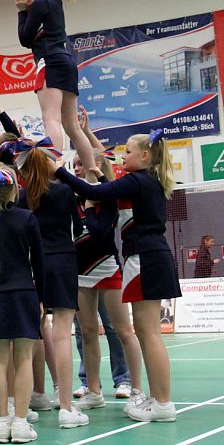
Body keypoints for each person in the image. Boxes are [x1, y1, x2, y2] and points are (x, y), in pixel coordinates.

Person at [54, 130, 181, 422]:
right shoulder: (146, 180)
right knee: (148, 334)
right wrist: (96, 166)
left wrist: (59, 171)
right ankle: (157, 398)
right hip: (151, 257)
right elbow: (107, 181)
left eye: (128, 153)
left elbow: (96, 193)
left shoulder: (137, 181)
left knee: (148, 334)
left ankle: (162, 403)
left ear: (145, 156)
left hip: (146, 259)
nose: (123, 158)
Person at [15, 137, 88, 429]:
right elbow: (79, 228)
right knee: (61, 335)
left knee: (32, 334)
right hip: (62, 262)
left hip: (33, 265)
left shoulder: (22, 197)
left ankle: (27, 401)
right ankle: (66, 406)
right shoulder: (64, 192)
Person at [0, 163, 43, 444]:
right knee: (24, 358)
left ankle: (2, 422)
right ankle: (21, 421)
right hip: (23, 292)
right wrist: (43, 298)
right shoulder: (27, 219)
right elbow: (38, 262)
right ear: (15, 188)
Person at [71, 151, 142, 411]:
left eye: (83, 165)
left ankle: (135, 388)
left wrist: (90, 208)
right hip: (80, 272)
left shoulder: (108, 198)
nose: (78, 169)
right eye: (75, 165)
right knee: (87, 332)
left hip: (107, 268)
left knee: (123, 330)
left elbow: (101, 233)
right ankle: (93, 391)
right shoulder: (72, 199)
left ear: (96, 168)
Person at [16, 0, 95, 176]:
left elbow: (25, 38)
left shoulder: (41, 4)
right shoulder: (55, 1)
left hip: (49, 61)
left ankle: (54, 172)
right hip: (67, 61)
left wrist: (22, 11)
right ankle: (94, 174)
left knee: (51, 117)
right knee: (72, 126)